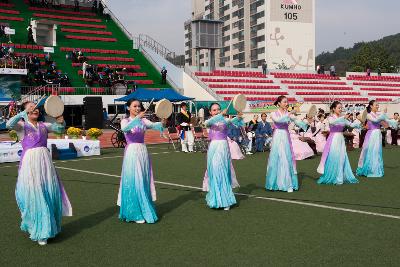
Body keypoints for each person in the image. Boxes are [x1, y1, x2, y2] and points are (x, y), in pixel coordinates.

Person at [6, 101, 72, 245]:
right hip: (30, 163)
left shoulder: (44, 125)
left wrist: (61, 121)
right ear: (25, 111)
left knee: (47, 192)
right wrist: (22, 115)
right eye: (30, 107)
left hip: (45, 163)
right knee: (36, 194)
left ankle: (49, 226)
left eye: (35, 107)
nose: (34, 109)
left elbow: (59, 129)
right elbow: (9, 124)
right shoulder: (21, 126)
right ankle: (40, 230)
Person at [117, 99, 165, 224]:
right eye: (134, 106)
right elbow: (125, 129)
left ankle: (144, 209)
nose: (137, 108)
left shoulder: (144, 120)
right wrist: (137, 118)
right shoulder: (125, 120)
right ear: (128, 108)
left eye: (139, 106)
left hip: (143, 151)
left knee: (143, 180)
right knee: (133, 180)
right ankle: (134, 213)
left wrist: (162, 121)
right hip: (132, 151)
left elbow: (156, 126)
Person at [202, 103, 243, 210]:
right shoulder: (209, 122)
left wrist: (238, 117)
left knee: (224, 172)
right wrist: (220, 115)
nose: (216, 111)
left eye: (218, 110)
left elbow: (234, 121)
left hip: (224, 148)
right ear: (210, 112)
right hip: (214, 148)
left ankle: (226, 200)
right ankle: (215, 199)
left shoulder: (225, 120)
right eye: (214, 110)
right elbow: (207, 123)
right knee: (215, 172)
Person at [265, 96, 308, 193]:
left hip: (285, 136)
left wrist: (305, 122)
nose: (286, 104)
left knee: (286, 157)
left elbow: (297, 122)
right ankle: (274, 183)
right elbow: (278, 120)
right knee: (277, 158)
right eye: (284, 102)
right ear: (279, 103)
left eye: (287, 102)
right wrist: (290, 113)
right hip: (278, 136)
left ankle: (287, 183)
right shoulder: (273, 113)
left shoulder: (288, 114)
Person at [317, 101, 361, 185]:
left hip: (340, 138)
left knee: (342, 157)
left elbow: (351, 125)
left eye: (341, 108)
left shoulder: (342, 118)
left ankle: (340, 175)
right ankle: (334, 176)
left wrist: (357, 124)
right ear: (333, 109)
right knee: (334, 156)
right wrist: (343, 118)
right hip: (333, 139)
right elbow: (333, 122)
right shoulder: (330, 117)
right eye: (339, 108)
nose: (340, 109)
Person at [356, 101, 398, 178]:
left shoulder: (378, 115)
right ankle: (363, 167)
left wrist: (390, 120)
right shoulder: (368, 115)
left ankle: (374, 169)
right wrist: (383, 114)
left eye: (378, 105)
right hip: (371, 135)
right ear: (371, 106)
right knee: (366, 150)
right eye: (376, 105)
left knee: (376, 152)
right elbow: (375, 120)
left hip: (377, 134)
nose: (378, 106)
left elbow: (385, 124)